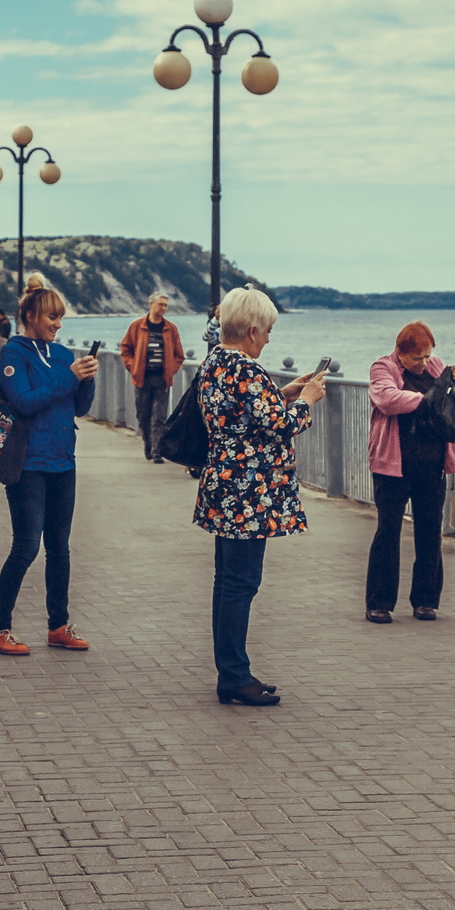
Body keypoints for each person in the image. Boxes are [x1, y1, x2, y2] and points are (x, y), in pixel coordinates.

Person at [195, 286, 326, 707]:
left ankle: (231, 669)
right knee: (241, 583)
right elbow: (280, 426)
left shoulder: (215, 361)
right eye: (267, 330)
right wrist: (306, 402)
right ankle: (233, 675)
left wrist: (283, 393)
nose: (269, 337)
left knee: (227, 580)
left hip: (222, 484)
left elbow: (245, 413)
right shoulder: (246, 370)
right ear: (252, 330)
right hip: (248, 492)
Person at [0, 282, 98, 656]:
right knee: (26, 546)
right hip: (27, 465)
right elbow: (26, 401)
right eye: (53, 317)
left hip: (64, 462)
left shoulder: (62, 354)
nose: (58, 325)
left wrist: (88, 379)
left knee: (60, 549)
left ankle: (58, 626)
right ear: (31, 316)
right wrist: (70, 377)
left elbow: (79, 407)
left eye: (61, 318)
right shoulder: (12, 354)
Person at [363, 320, 455, 623]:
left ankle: (426, 601)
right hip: (393, 466)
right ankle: (380, 603)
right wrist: (428, 399)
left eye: (427, 357)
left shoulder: (437, 367)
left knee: (430, 534)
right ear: (400, 353)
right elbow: (387, 400)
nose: (424, 363)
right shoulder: (382, 368)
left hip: (433, 464)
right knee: (388, 532)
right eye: (417, 358)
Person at [119, 293, 184, 461]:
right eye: (160, 304)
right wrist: (133, 368)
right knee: (143, 416)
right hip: (142, 378)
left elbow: (179, 355)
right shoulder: (137, 326)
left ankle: (157, 452)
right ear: (151, 304)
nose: (163, 308)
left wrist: (171, 370)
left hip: (162, 379)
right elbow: (125, 349)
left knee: (159, 417)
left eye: (165, 305)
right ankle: (148, 445)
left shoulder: (171, 328)